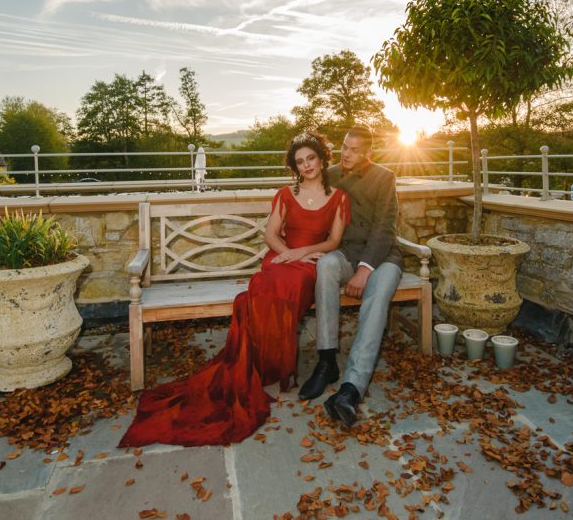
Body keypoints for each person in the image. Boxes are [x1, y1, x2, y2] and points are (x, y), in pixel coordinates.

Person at [119, 131, 349, 447]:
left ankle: (272, 361)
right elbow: (270, 234)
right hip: (281, 256)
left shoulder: (338, 197)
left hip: (310, 265)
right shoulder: (285, 194)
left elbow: (333, 241)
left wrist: (301, 254)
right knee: (266, 282)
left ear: (322, 158)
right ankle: (256, 361)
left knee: (291, 282)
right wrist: (286, 253)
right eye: (300, 161)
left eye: (311, 158)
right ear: (294, 167)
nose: (307, 165)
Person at [298, 126, 403, 428]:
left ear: (369, 152)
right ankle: (327, 360)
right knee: (326, 265)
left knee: (378, 296)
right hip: (344, 253)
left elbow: (385, 227)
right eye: (344, 147)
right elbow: (305, 200)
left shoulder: (385, 178)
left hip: (381, 258)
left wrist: (366, 268)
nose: (346, 153)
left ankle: (351, 390)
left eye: (354, 149)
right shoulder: (329, 174)